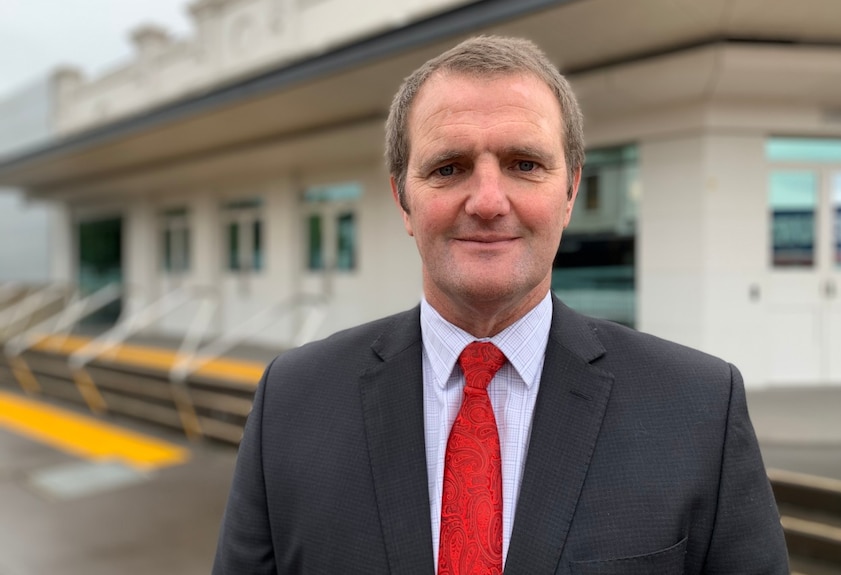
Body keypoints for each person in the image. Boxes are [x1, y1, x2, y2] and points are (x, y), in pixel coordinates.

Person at [212, 35, 789, 574]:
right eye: (449, 168)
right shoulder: (293, 401)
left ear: (569, 194)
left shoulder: (699, 408)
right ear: (403, 201)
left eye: (524, 165)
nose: (488, 202)